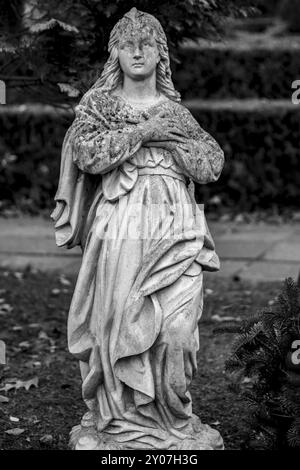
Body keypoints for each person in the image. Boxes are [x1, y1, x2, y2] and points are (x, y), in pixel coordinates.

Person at [52, 7, 225, 450]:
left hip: (177, 227)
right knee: (118, 326)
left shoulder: (176, 111)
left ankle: (173, 419)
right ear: (115, 54)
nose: (137, 52)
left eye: (146, 44)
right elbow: (88, 154)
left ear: (160, 54)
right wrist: (147, 132)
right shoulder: (101, 104)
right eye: (126, 44)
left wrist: (164, 139)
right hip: (121, 226)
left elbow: (211, 163)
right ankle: (119, 421)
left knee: (177, 332)